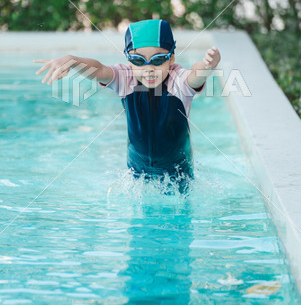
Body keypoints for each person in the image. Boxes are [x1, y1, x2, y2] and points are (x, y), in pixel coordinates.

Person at [34, 19, 221, 194]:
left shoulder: (178, 81)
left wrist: (206, 66)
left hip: (179, 175)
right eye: (138, 61)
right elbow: (99, 69)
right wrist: (72, 60)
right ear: (128, 60)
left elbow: (195, 75)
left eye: (158, 60)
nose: (148, 68)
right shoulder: (125, 78)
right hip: (136, 173)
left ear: (171, 58)